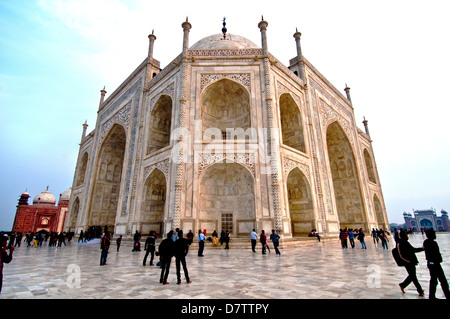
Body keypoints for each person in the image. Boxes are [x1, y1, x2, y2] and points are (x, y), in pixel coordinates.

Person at [423, 229, 450, 299]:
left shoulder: (425, 242)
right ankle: (447, 295)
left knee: (434, 281)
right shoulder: (433, 243)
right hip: (436, 264)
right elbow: (437, 254)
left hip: (430, 264)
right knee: (443, 281)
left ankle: (431, 296)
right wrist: (439, 260)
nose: (435, 235)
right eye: (434, 234)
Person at [398, 230, 425, 297]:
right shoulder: (400, 243)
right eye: (406, 235)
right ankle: (420, 291)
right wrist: (407, 261)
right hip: (408, 262)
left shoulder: (405, 242)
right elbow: (400, 254)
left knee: (412, 276)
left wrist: (422, 249)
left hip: (411, 262)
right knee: (413, 277)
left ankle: (403, 285)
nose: (407, 236)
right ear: (403, 236)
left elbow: (412, 250)